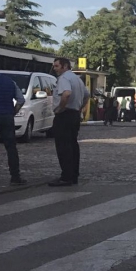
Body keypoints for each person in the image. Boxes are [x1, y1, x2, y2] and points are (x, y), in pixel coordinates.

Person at [49, 58, 91, 187]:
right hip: (74, 114)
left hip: (64, 115)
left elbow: (66, 93)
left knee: (63, 146)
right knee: (73, 145)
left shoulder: (64, 78)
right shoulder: (76, 79)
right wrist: (79, 108)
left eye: (57, 66)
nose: (54, 68)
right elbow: (87, 95)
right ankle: (73, 175)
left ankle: (66, 176)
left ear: (65, 66)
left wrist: (60, 108)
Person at [0, 65, 28, 185]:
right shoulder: (9, 81)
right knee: (11, 147)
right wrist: (13, 112)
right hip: (7, 117)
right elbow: (21, 100)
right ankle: (15, 177)